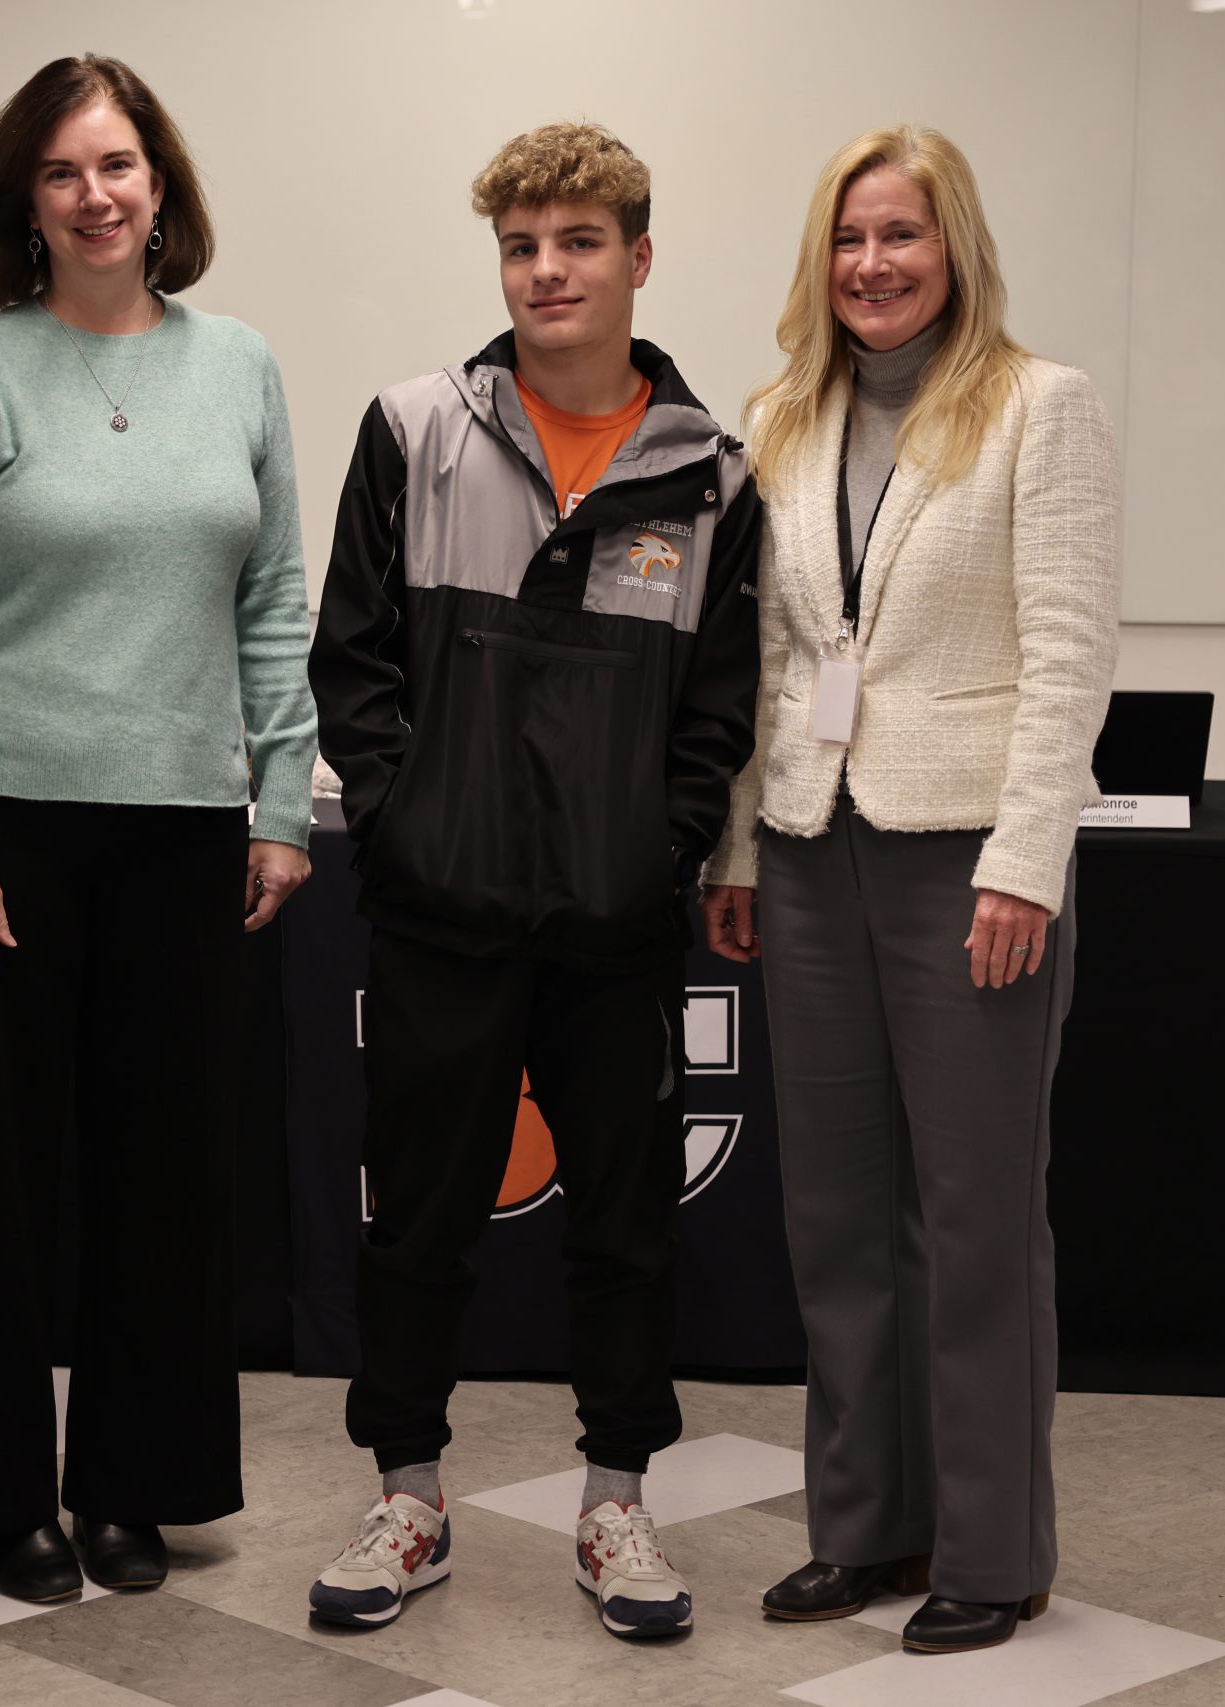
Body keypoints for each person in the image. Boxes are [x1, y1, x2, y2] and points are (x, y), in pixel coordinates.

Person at [305, 122, 763, 1640]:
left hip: (614, 932)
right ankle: (409, 1494)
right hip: (439, 913)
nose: (547, 271)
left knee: (624, 1226)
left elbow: (719, 709)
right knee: (416, 1218)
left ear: (641, 254)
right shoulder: (417, 426)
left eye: (578, 241)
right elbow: (353, 664)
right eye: (520, 245)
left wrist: (660, 847)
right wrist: (404, 818)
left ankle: (617, 1503)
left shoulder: (711, 474)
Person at [0, 55, 318, 1603]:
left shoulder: (242, 366)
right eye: (63, 171)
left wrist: (279, 801)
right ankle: (0, 1493)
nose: (97, 193)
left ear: (162, 187)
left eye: (119, 163)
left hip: (188, 830)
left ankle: (140, 1484)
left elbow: (272, 603)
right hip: (5, 833)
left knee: (168, 1179)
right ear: (26, 202)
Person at [699, 125, 1120, 1656]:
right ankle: (861, 1529)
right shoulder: (779, 420)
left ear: (957, 253)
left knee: (975, 1218)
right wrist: (737, 848)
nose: (876, 265)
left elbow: (1069, 660)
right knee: (834, 1216)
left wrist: (1028, 863)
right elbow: (766, 666)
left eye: (906, 237)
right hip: (811, 850)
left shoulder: (1037, 409)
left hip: (969, 866)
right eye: (852, 238)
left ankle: (992, 1553)